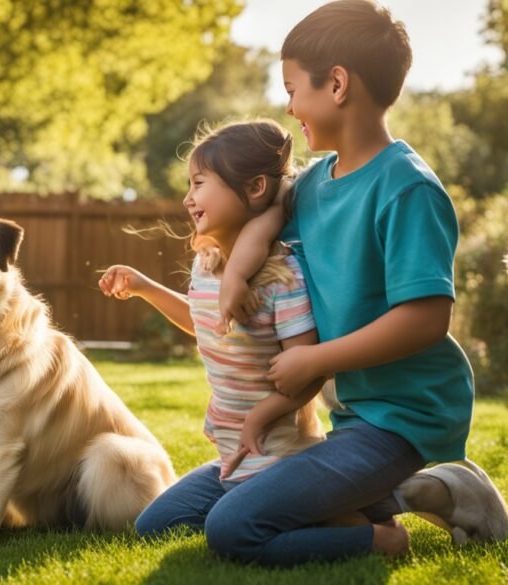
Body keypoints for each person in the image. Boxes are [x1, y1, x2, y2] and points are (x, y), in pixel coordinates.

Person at [207, 0, 502, 565]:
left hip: (404, 416)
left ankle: (406, 516)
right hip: (354, 416)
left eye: (293, 89)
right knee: (191, 510)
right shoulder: (317, 180)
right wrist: (239, 270)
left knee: (233, 527)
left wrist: (315, 362)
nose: (289, 105)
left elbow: (425, 318)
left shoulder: (407, 189)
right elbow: (270, 214)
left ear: (337, 84)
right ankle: (417, 492)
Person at [99, 119, 328, 504]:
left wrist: (261, 415)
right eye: (189, 184)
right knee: (156, 523)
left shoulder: (282, 278)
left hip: (278, 454)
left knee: (236, 532)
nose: (188, 198)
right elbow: (203, 324)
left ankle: (376, 529)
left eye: (200, 183)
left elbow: (308, 371)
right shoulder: (205, 265)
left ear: (255, 188)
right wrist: (144, 287)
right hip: (232, 451)